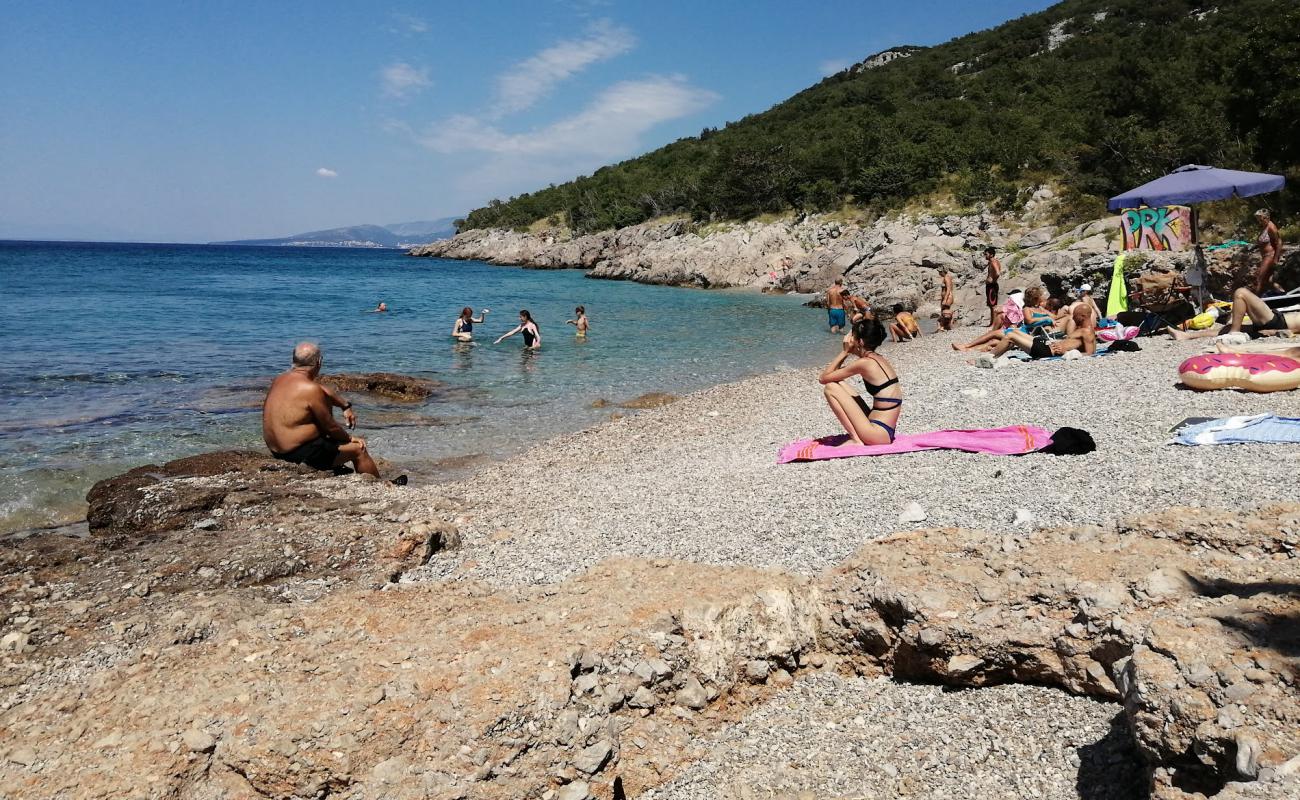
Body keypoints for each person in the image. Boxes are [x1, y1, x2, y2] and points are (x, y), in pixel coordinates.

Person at [262, 342, 402, 483]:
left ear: (294, 361)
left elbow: (320, 389)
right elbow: (330, 426)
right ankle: (381, 485)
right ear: (319, 362)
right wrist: (349, 438)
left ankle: (334, 465)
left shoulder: (280, 379)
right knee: (359, 450)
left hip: (277, 450)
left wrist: (345, 406)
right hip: (298, 454)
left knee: (321, 423)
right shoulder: (310, 389)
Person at [818, 317, 903, 445]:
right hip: (883, 430)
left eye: (854, 338)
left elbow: (823, 378)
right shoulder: (878, 359)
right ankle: (859, 436)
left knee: (830, 387)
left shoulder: (865, 363)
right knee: (839, 382)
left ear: (861, 342)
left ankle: (856, 440)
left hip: (877, 435)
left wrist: (845, 351)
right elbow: (833, 376)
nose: (851, 342)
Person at [1166, 286, 1300, 340]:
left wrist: (1277, 331)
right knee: (1226, 328)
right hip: (1276, 321)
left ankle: (1234, 334)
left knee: (1241, 293)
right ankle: (1185, 336)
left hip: (1277, 321)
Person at [990, 305, 1096, 360]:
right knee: (1014, 332)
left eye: (1075, 315)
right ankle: (994, 355)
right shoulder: (1081, 329)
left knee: (1010, 336)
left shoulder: (1087, 332)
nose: (1073, 317)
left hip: (1046, 352)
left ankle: (989, 358)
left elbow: (1090, 353)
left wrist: (1067, 353)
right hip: (1046, 345)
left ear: (1083, 316)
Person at [1253, 209, 1285, 295]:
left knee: (1258, 279)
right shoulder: (1264, 226)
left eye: (1260, 218)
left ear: (1266, 217)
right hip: (1265, 257)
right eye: (1257, 219)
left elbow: (1279, 242)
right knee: (1269, 280)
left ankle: (1254, 302)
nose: (1259, 221)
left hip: (1269, 256)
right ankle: (1283, 294)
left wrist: (1276, 258)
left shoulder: (1271, 227)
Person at [983, 247, 1003, 327]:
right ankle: (992, 323)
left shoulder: (994, 262)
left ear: (991, 255)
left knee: (993, 305)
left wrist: (993, 280)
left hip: (992, 285)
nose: (985, 255)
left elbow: (998, 273)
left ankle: (994, 323)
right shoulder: (991, 262)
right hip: (991, 285)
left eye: (986, 254)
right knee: (991, 305)